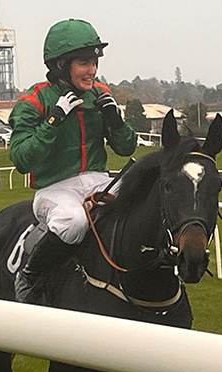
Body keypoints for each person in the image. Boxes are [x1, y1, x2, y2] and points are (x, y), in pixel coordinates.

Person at [9, 18, 137, 303]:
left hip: (98, 180)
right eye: (83, 63)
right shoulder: (34, 102)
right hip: (55, 189)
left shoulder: (101, 95)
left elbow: (126, 147)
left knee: (142, 197)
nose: (92, 71)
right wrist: (52, 122)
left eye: (94, 62)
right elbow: (21, 159)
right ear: (59, 65)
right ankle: (30, 275)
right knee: (72, 222)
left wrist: (116, 122)